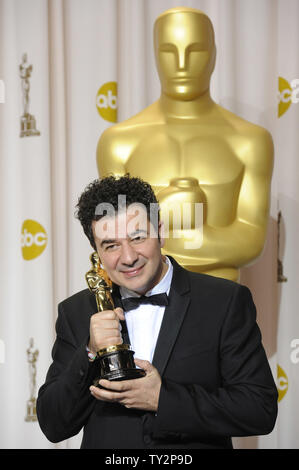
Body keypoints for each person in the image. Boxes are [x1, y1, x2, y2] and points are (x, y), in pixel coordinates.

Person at [37, 175, 277, 449]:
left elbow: (259, 409)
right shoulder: (77, 311)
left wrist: (163, 399)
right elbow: (53, 424)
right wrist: (89, 351)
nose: (128, 257)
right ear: (97, 253)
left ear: (160, 231)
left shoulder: (223, 301)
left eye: (137, 237)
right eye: (111, 245)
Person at [97, 7, 274, 282]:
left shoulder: (250, 140)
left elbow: (251, 240)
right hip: (143, 308)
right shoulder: (119, 142)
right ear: (155, 55)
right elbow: (115, 241)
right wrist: (182, 226)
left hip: (222, 307)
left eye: (196, 51)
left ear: (214, 56)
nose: (181, 64)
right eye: (169, 51)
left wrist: (166, 231)